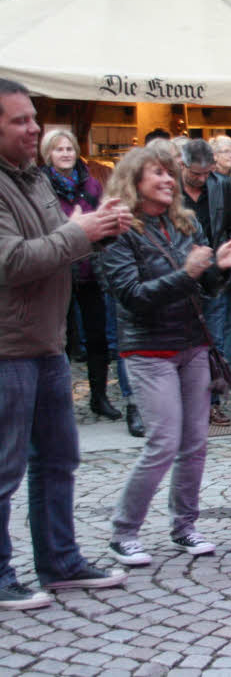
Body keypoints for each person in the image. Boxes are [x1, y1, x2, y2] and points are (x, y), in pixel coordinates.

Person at [0, 79, 130, 610]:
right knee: (4, 469)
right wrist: (82, 233)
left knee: (57, 460)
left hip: (47, 344)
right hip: (7, 348)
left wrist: (100, 229)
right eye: (19, 121)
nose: (33, 128)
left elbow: (57, 244)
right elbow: (11, 262)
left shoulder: (32, 179)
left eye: (33, 118)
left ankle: (60, 561)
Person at [101, 146, 231, 566]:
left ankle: (184, 526)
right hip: (148, 348)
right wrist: (189, 273)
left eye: (170, 173)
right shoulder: (119, 230)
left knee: (195, 442)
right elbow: (132, 297)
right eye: (158, 174)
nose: (168, 181)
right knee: (164, 441)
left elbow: (207, 291)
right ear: (134, 182)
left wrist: (219, 267)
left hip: (191, 344)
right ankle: (124, 532)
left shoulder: (185, 224)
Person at [40, 129, 121, 422]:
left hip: (90, 269)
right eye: (59, 149)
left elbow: (101, 220)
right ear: (48, 154)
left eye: (69, 149)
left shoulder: (92, 184)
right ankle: (56, 402)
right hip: (56, 271)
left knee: (97, 337)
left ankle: (99, 397)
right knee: (58, 339)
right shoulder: (40, 186)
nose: (65, 154)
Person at [179, 139, 231, 427]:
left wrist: (227, 259)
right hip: (178, 276)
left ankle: (212, 404)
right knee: (182, 341)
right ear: (182, 165)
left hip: (214, 274)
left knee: (213, 343)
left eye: (207, 173)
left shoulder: (222, 185)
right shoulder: (169, 187)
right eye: (196, 174)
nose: (202, 179)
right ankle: (183, 406)